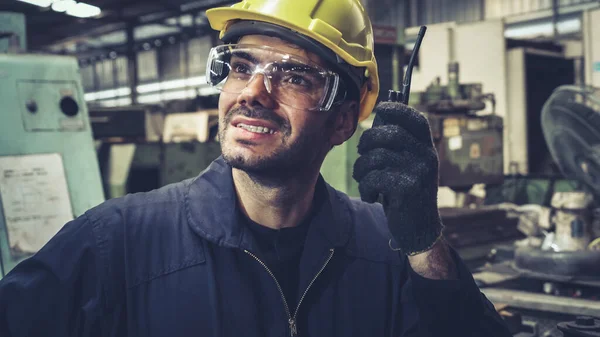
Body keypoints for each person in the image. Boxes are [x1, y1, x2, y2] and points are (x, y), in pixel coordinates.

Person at [0, 0, 512, 336]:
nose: (252, 92)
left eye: (292, 75)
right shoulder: (116, 242)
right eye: (241, 66)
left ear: (341, 121)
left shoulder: (387, 249)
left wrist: (424, 243)